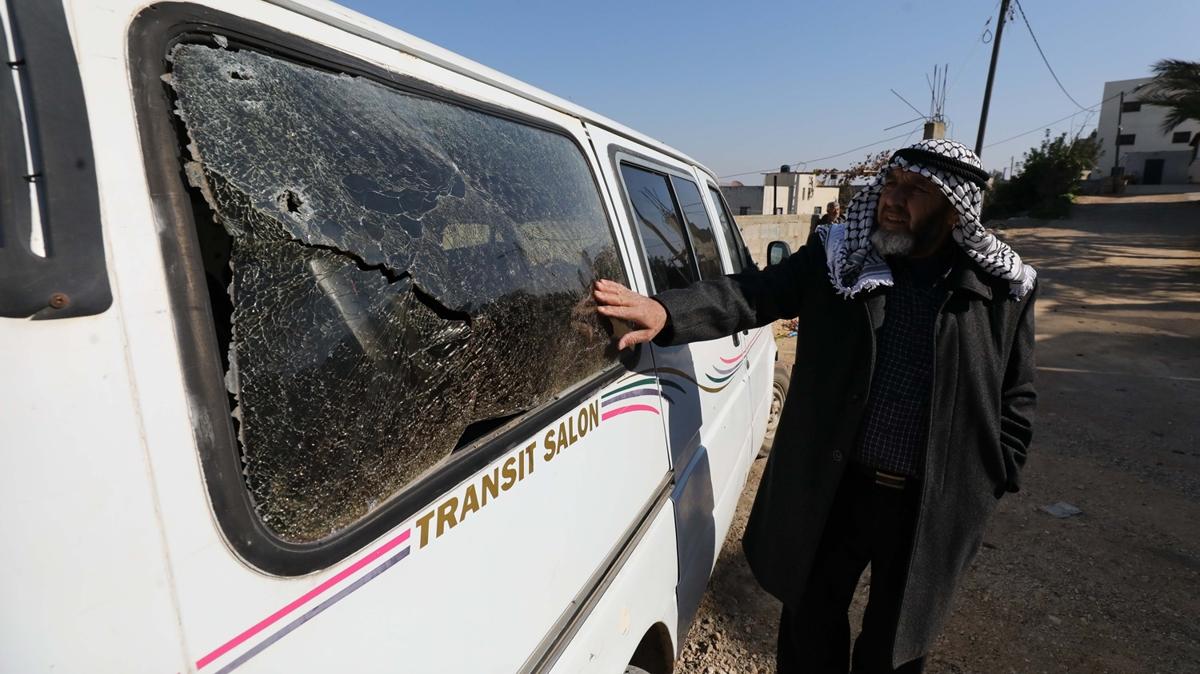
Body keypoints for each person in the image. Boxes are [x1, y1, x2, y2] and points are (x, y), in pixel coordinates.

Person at [593, 139, 1037, 673]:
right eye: (891, 184)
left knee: (895, 647)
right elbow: (753, 294)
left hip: (931, 499)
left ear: (953, 206)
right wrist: (665, 311)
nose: (893, 199)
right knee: (810, 628)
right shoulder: (839, 258)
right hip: (836, 486)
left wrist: (995, 472)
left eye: (916, 191)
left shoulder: (1000, 287)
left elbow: (1017, 393)